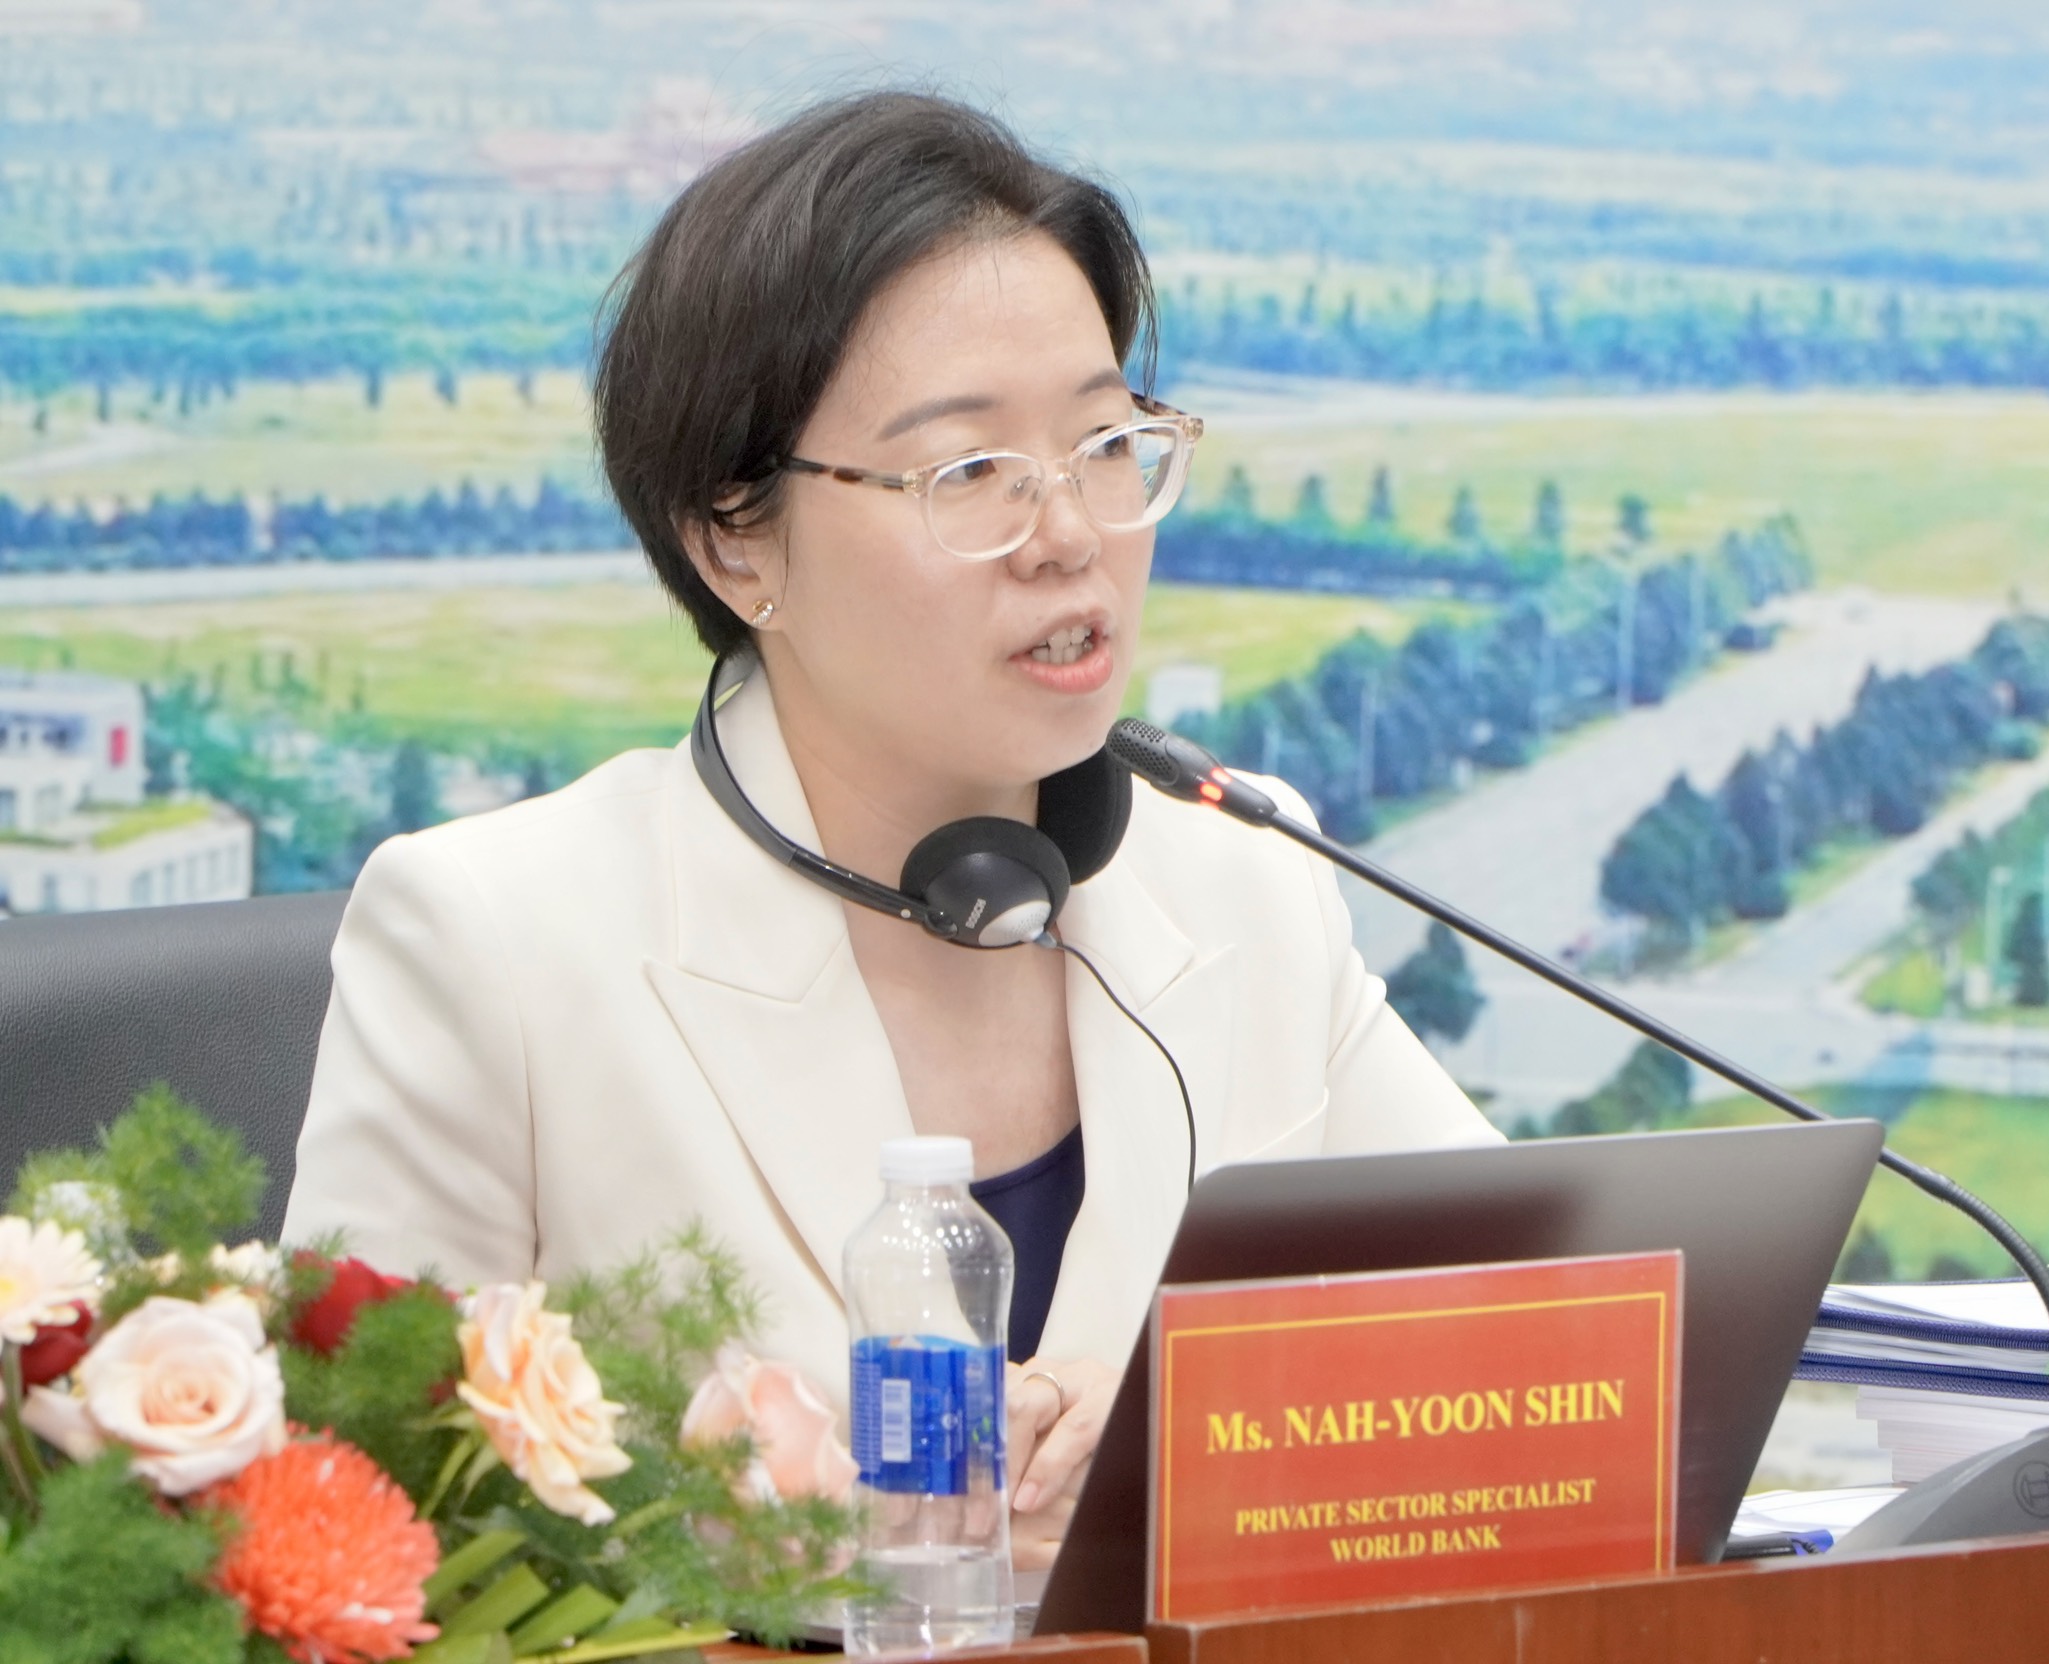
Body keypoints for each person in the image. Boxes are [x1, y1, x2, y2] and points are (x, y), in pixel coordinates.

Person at [281, 91, 1501, 1569]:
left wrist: (1204, 1449)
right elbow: (356, 1542)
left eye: (1107, 443)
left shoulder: (1246, 871)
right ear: (735, 537)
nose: (1072, 534)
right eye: (970, 473)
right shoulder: (499, 942)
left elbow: (1533, 1336)